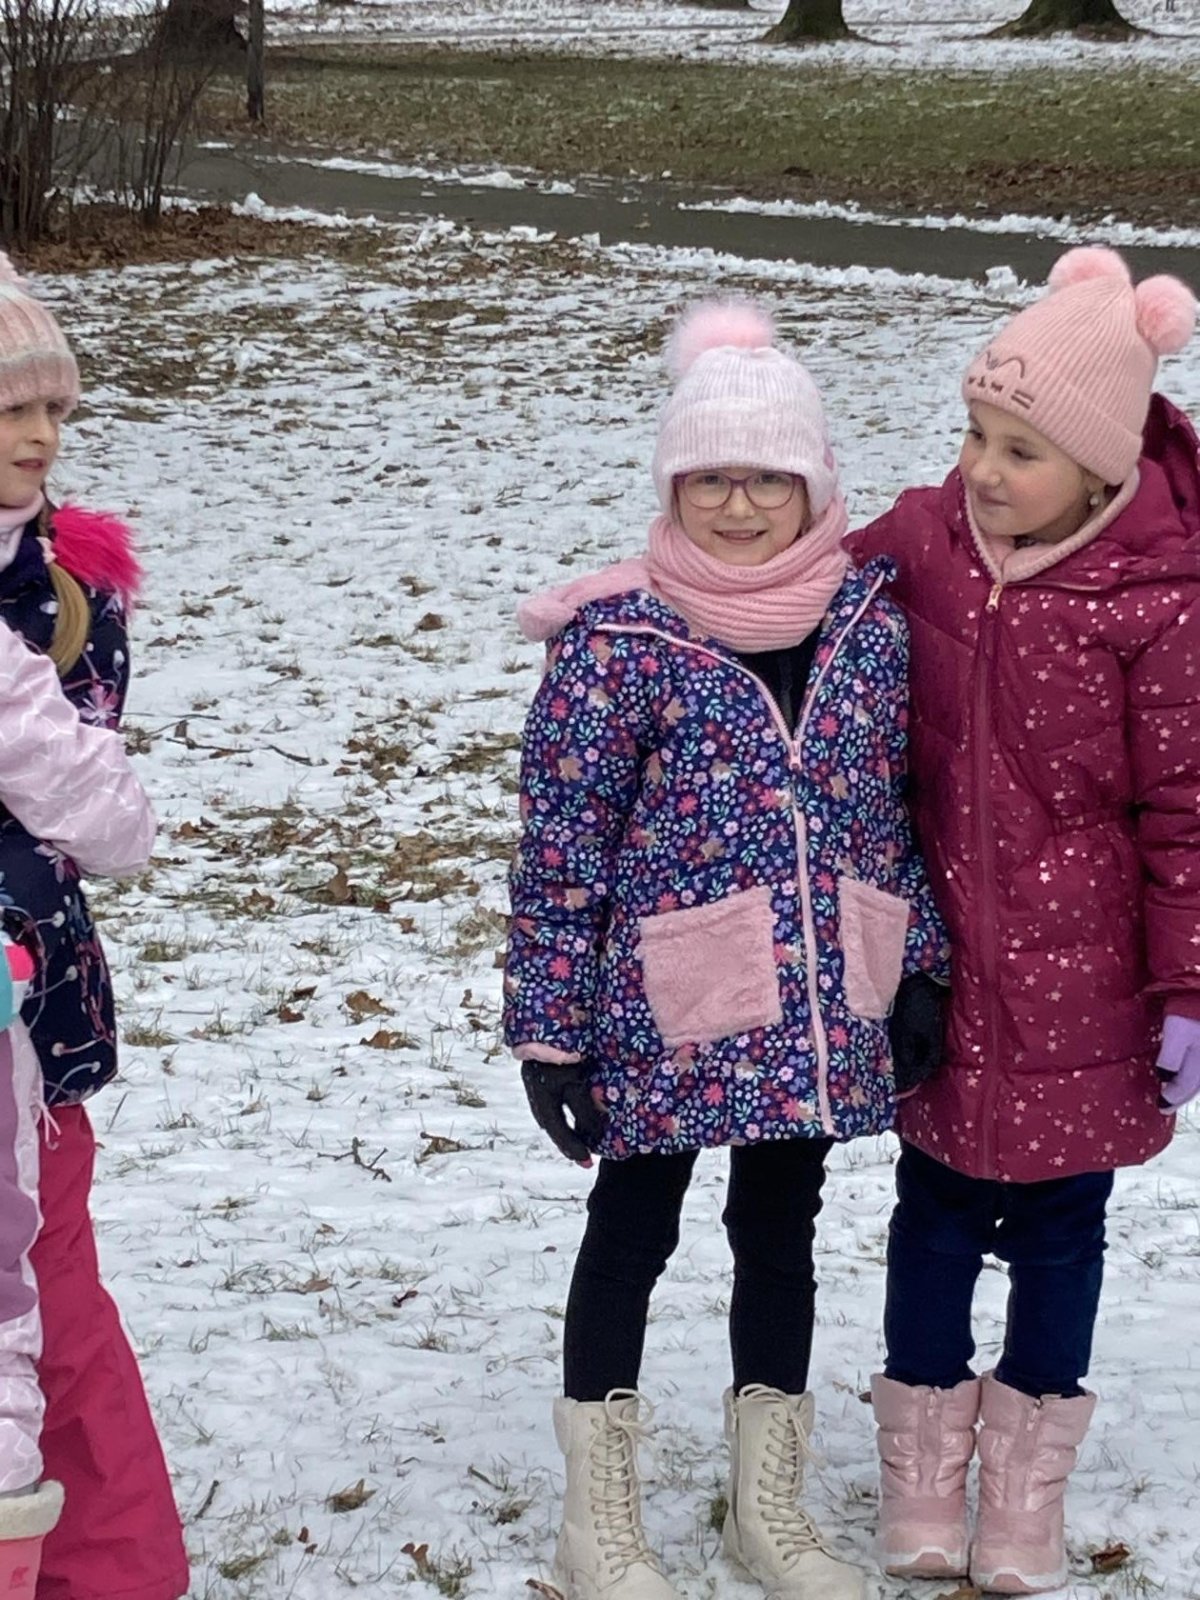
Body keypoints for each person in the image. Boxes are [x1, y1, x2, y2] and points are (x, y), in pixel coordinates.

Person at [504, 301, 949, 1600]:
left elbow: (893, 811)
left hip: (820, 999)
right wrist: (550, 1035)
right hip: (664, 1010)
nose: (739, 506)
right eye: (710, 480)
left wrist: (918, 962)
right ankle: (597, 1524)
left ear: (813, 484)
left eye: (768, 479)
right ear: (671, 485)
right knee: (632, 1228)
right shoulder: (617, 644)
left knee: (781, 1230)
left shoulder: (868, 624)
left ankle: (771, 1511)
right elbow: (561, 850)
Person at [848, 247, 1199, 1596]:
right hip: (941, 968)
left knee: (1060, 1232)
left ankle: (1024, 1494)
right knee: (933, 1215)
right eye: (975, 435)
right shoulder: (928, 542)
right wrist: (644, 602)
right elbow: (799, 582)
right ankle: (923, 1477)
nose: (984, 472)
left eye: (1021, 451)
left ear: (1101, 472)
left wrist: (1189, 988)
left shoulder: (1157, 602)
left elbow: (1186, 812)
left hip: (1088, 989)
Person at [0, 255, 187, 1600]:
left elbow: (102, 810)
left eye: (53, 409)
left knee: (52, 1299)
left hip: (35, 1005)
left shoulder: (69, 583)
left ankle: (108, 1570)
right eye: (8, 409)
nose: (39, 436)